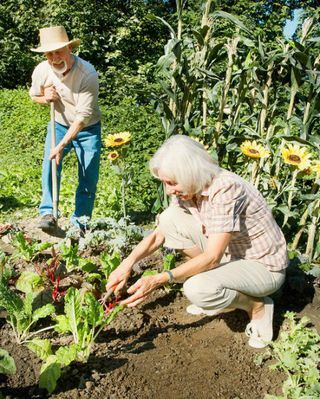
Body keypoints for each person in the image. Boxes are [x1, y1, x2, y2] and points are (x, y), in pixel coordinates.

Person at [106, 135, 288, 348]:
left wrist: (159, 279)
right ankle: (220, 291)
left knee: (197, 289)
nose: (168, 190)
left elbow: (212, 257)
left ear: (191, 173)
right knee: (168, 219)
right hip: (230, 254)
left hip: (262, 267)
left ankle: (258, 306)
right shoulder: (187, 189)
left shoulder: (226, 189)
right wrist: (126, 264)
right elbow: (159, 234)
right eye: (165, 182)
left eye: (172, 183)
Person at [29, 26, 101, 230]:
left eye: (59, 51)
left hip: (88, 129)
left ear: (70, 48)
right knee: (50, 166)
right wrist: (45, 98)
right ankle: (48, 212)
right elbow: (34, 95)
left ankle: (81, 222)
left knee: (88, 175)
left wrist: (61, 145)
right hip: (59, 124)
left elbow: (82, 118)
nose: (54, 57)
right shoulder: (42, 70)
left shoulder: (87, 73)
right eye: (49, 53)